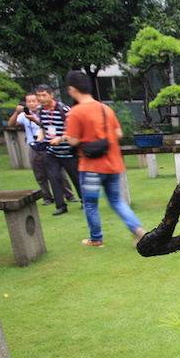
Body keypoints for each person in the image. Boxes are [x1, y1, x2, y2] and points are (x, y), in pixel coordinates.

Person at [62, 71, 146, 248]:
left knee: (90, 203)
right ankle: (137, 229)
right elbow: (118, 133)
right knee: (116, 200)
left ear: (72, 89)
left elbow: (74, 141)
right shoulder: (105, 109)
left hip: (91, 167)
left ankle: (96, 239)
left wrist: (67, 137)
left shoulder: (75, 112)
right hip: (113, 164)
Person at [8, 93, 76, 206]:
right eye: (29, 102)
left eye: (34, 101)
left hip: (50, 145)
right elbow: (11, 124)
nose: (32, 104)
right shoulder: (24, 115)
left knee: (59, 173)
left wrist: (34, 120)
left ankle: (69, 195)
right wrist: (17, 112)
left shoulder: (45, 112)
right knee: (40, 174)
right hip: (35, 146)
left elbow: (45, 126)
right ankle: (47, 197)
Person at [35, 83, 82, 216]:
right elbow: (43, 127)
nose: (41, 98)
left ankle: (85, 201)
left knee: (76, 178)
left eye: (44, 95)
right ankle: (61, 206)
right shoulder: (41, 110)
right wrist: (39, 138)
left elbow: (74, 129)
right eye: (39, 96)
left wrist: (60, 138)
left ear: (51, 95)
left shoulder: (63, 109)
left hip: (68, 151)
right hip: (52, 152)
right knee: (53, 178)